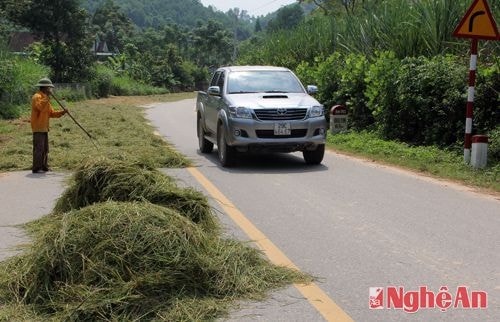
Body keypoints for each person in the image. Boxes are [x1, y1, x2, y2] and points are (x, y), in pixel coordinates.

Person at [31, 78, 66, 173]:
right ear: (45, 87)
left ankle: (44, 166)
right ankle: (36, 167)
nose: (50, 90)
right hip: (38, 127)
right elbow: (39, 107)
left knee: (45, 149)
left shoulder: (46, 99)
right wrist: (47, 98)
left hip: (45, 128)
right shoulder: (37, 97)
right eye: (49, 88)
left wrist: (62, 112)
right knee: (39, 148)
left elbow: (51, 113)